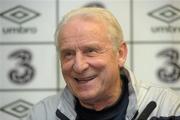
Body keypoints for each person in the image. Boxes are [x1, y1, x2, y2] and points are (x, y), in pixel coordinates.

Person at [28, 7, 180, 120]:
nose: (79, 66)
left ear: (120, 54)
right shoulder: (42, 114)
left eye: (91, 51)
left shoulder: (167, 108)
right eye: (68, 54)